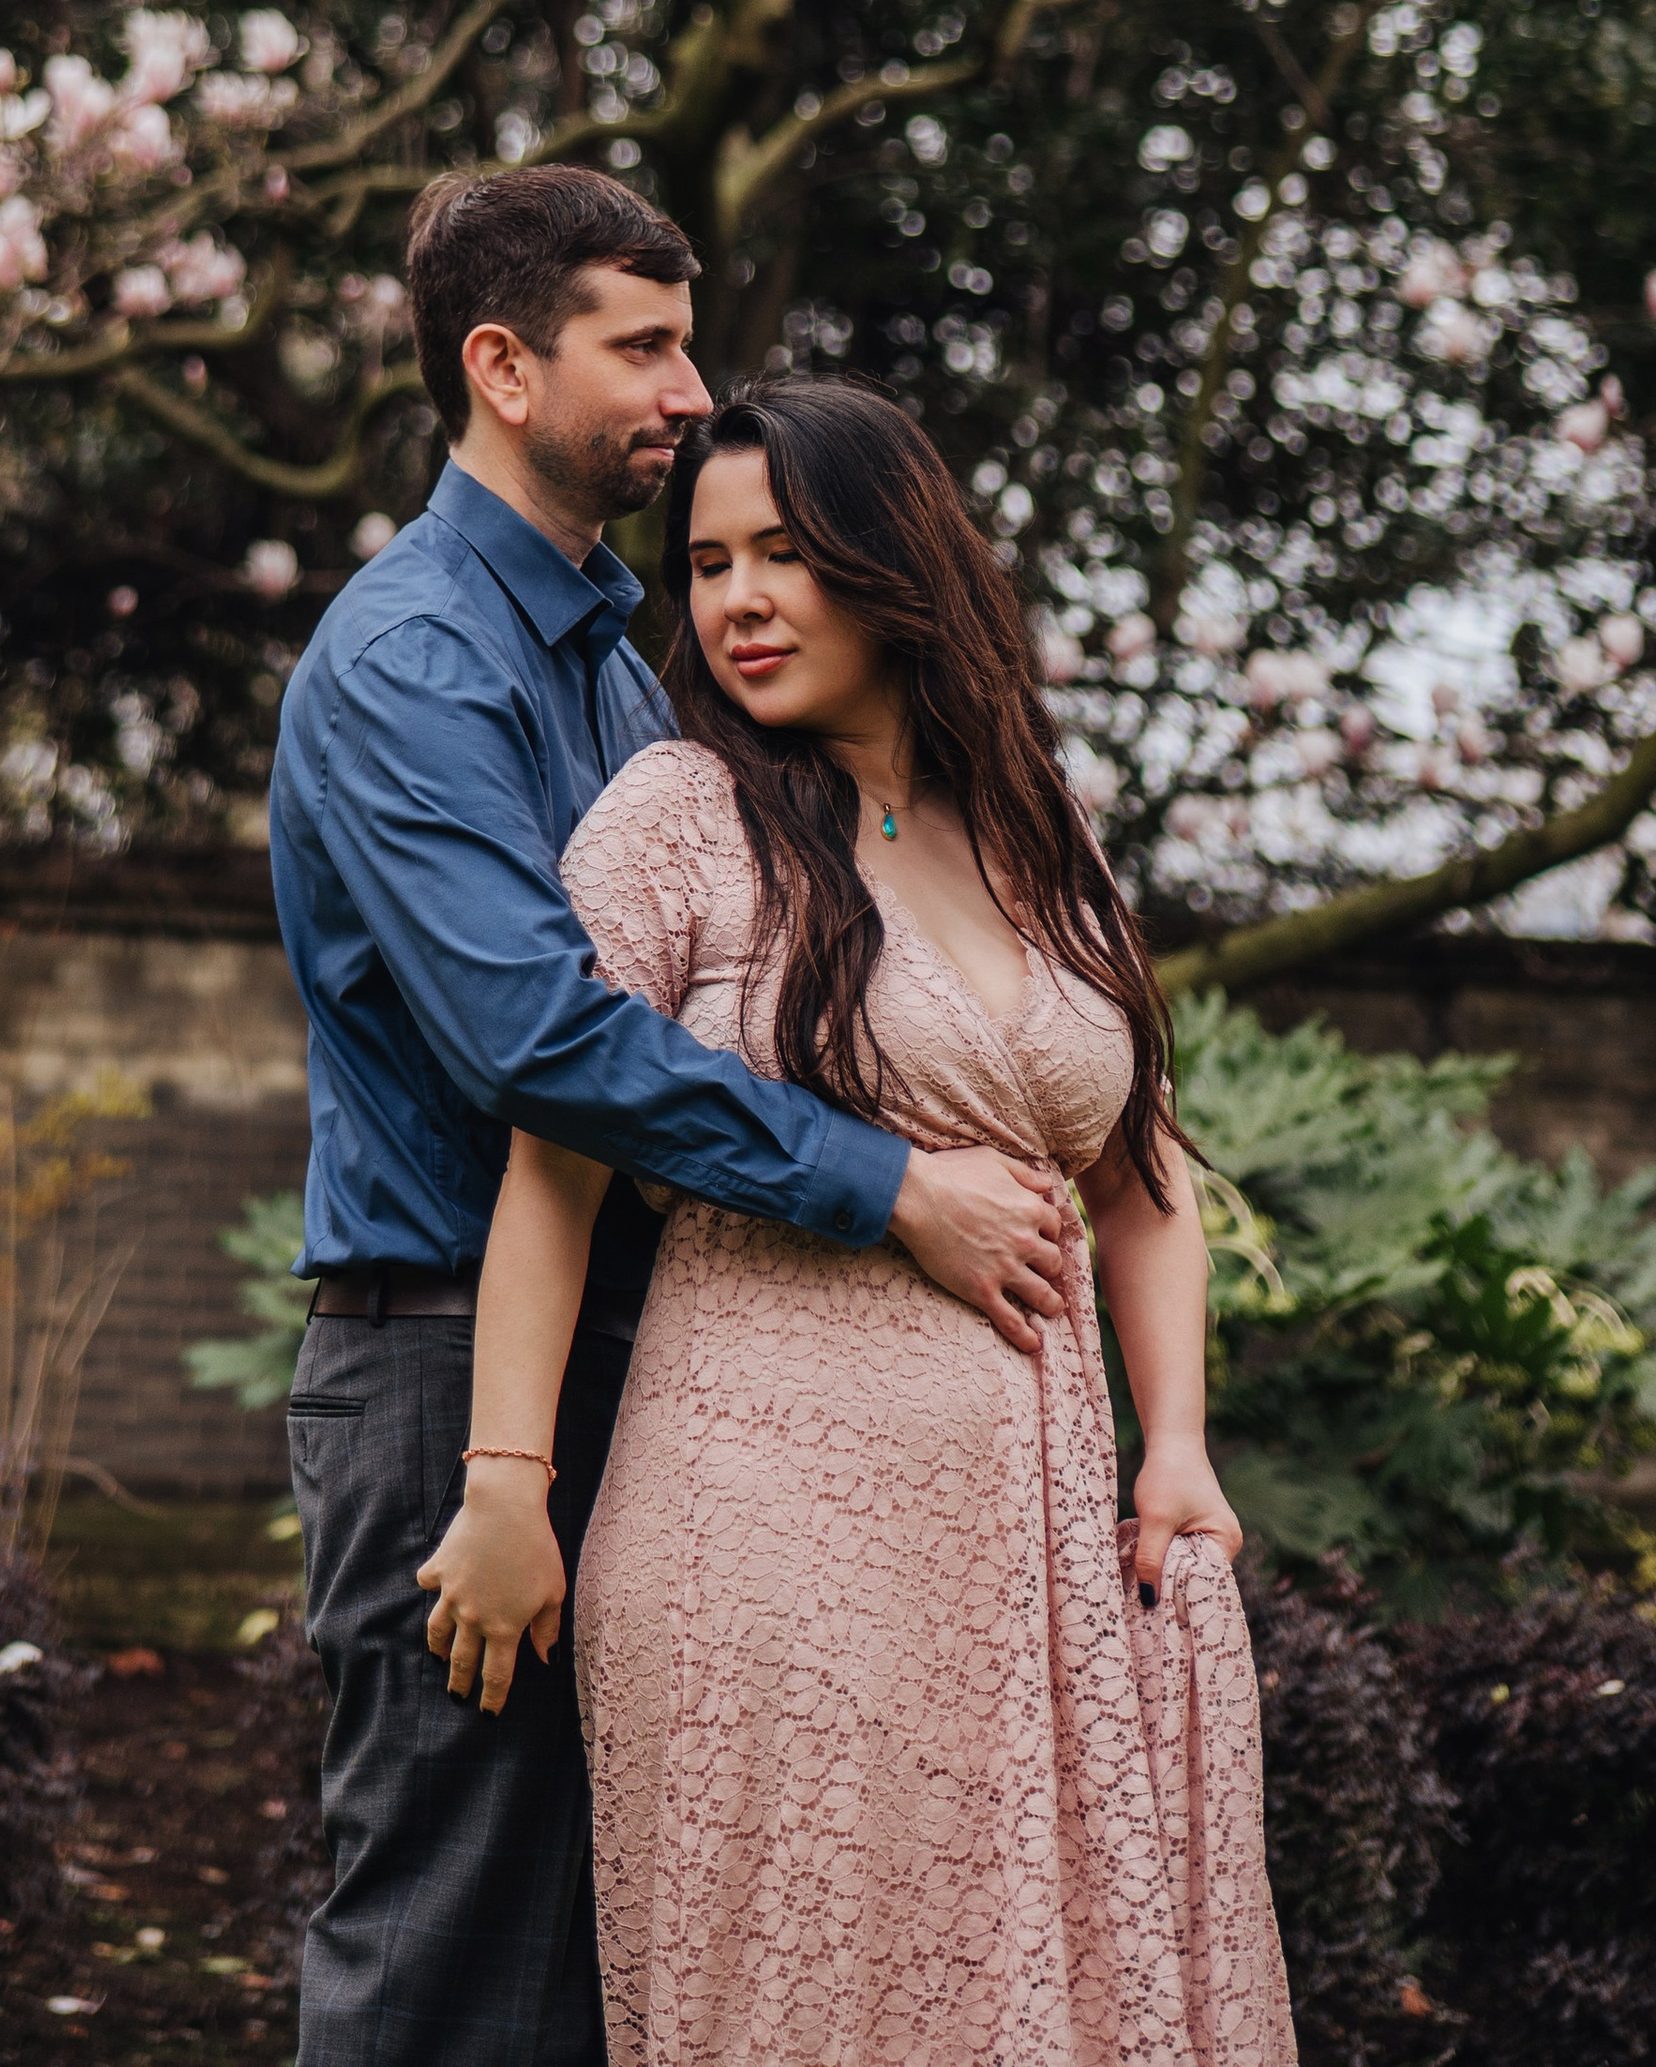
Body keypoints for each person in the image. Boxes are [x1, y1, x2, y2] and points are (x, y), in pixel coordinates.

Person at [269, 172, 1076, 2067]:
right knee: (450, 1937)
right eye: (640, 346)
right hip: (449, 1359)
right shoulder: (413, 666)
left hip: (647, 1364)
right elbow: (541, 1048)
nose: (686, 388)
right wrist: (887, 1188)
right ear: (501, 366)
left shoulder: (625, 669)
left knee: (612, 1957)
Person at [421, 379, 1296, 2067]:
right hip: (759, 1536)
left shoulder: (1044, 829)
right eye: (707, 563)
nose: (738, 600)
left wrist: (1175, 1442)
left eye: (787, 555)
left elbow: (1145, 1178)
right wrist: (506, 1485)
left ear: (894, 563)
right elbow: (554, 1165)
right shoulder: (680, 818)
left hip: (1026, 1546)